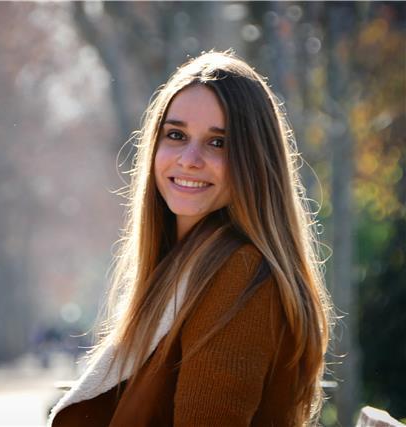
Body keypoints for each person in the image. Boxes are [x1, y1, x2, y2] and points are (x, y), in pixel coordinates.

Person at [48, 51, 332, 426]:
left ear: (254, 160)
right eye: (176, 135)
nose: (189, 159)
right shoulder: (181, 270)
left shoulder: (240, 275)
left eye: (218, 143)